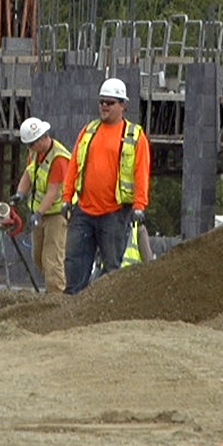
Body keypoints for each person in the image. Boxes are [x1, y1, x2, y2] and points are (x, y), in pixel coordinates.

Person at [61, 77, 151, 294]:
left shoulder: (134, 136)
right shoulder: (89, 131)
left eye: (110, 102)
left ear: (123, 105)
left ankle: (106, 310)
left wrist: (139, 205)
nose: (104, 106)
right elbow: (74, 165)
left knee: (112, 267)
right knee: (75, 263)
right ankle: (72, 305)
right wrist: (66, 198)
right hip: (84, 210)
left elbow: (142, 171)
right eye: (102, 101)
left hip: (115, 213)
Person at [10, 116, 71, 292]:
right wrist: (19, 194)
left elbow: (53, 191)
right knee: (38, 257)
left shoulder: (59, 158)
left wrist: (38, 214)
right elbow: (29, 174)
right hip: (39, 211)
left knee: (52, 257)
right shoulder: (35, 153)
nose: (29, 148)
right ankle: (53, 286)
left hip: (56, 213)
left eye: (32, 144)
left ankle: (56, 296)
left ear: (43, 138)